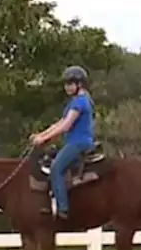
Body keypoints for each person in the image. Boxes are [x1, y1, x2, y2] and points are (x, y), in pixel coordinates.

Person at [29, 65, 96, 219]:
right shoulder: (76, 101)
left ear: (79, 84)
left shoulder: (80, 103)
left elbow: (66, 126)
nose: (67, 87)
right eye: (66, 84)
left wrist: (43, 139)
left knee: (56, 168)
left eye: (71, 83)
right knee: (48, 161)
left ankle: (62, 209)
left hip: (79, 143)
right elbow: (59, 123)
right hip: (73, 142)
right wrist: (41, 134)